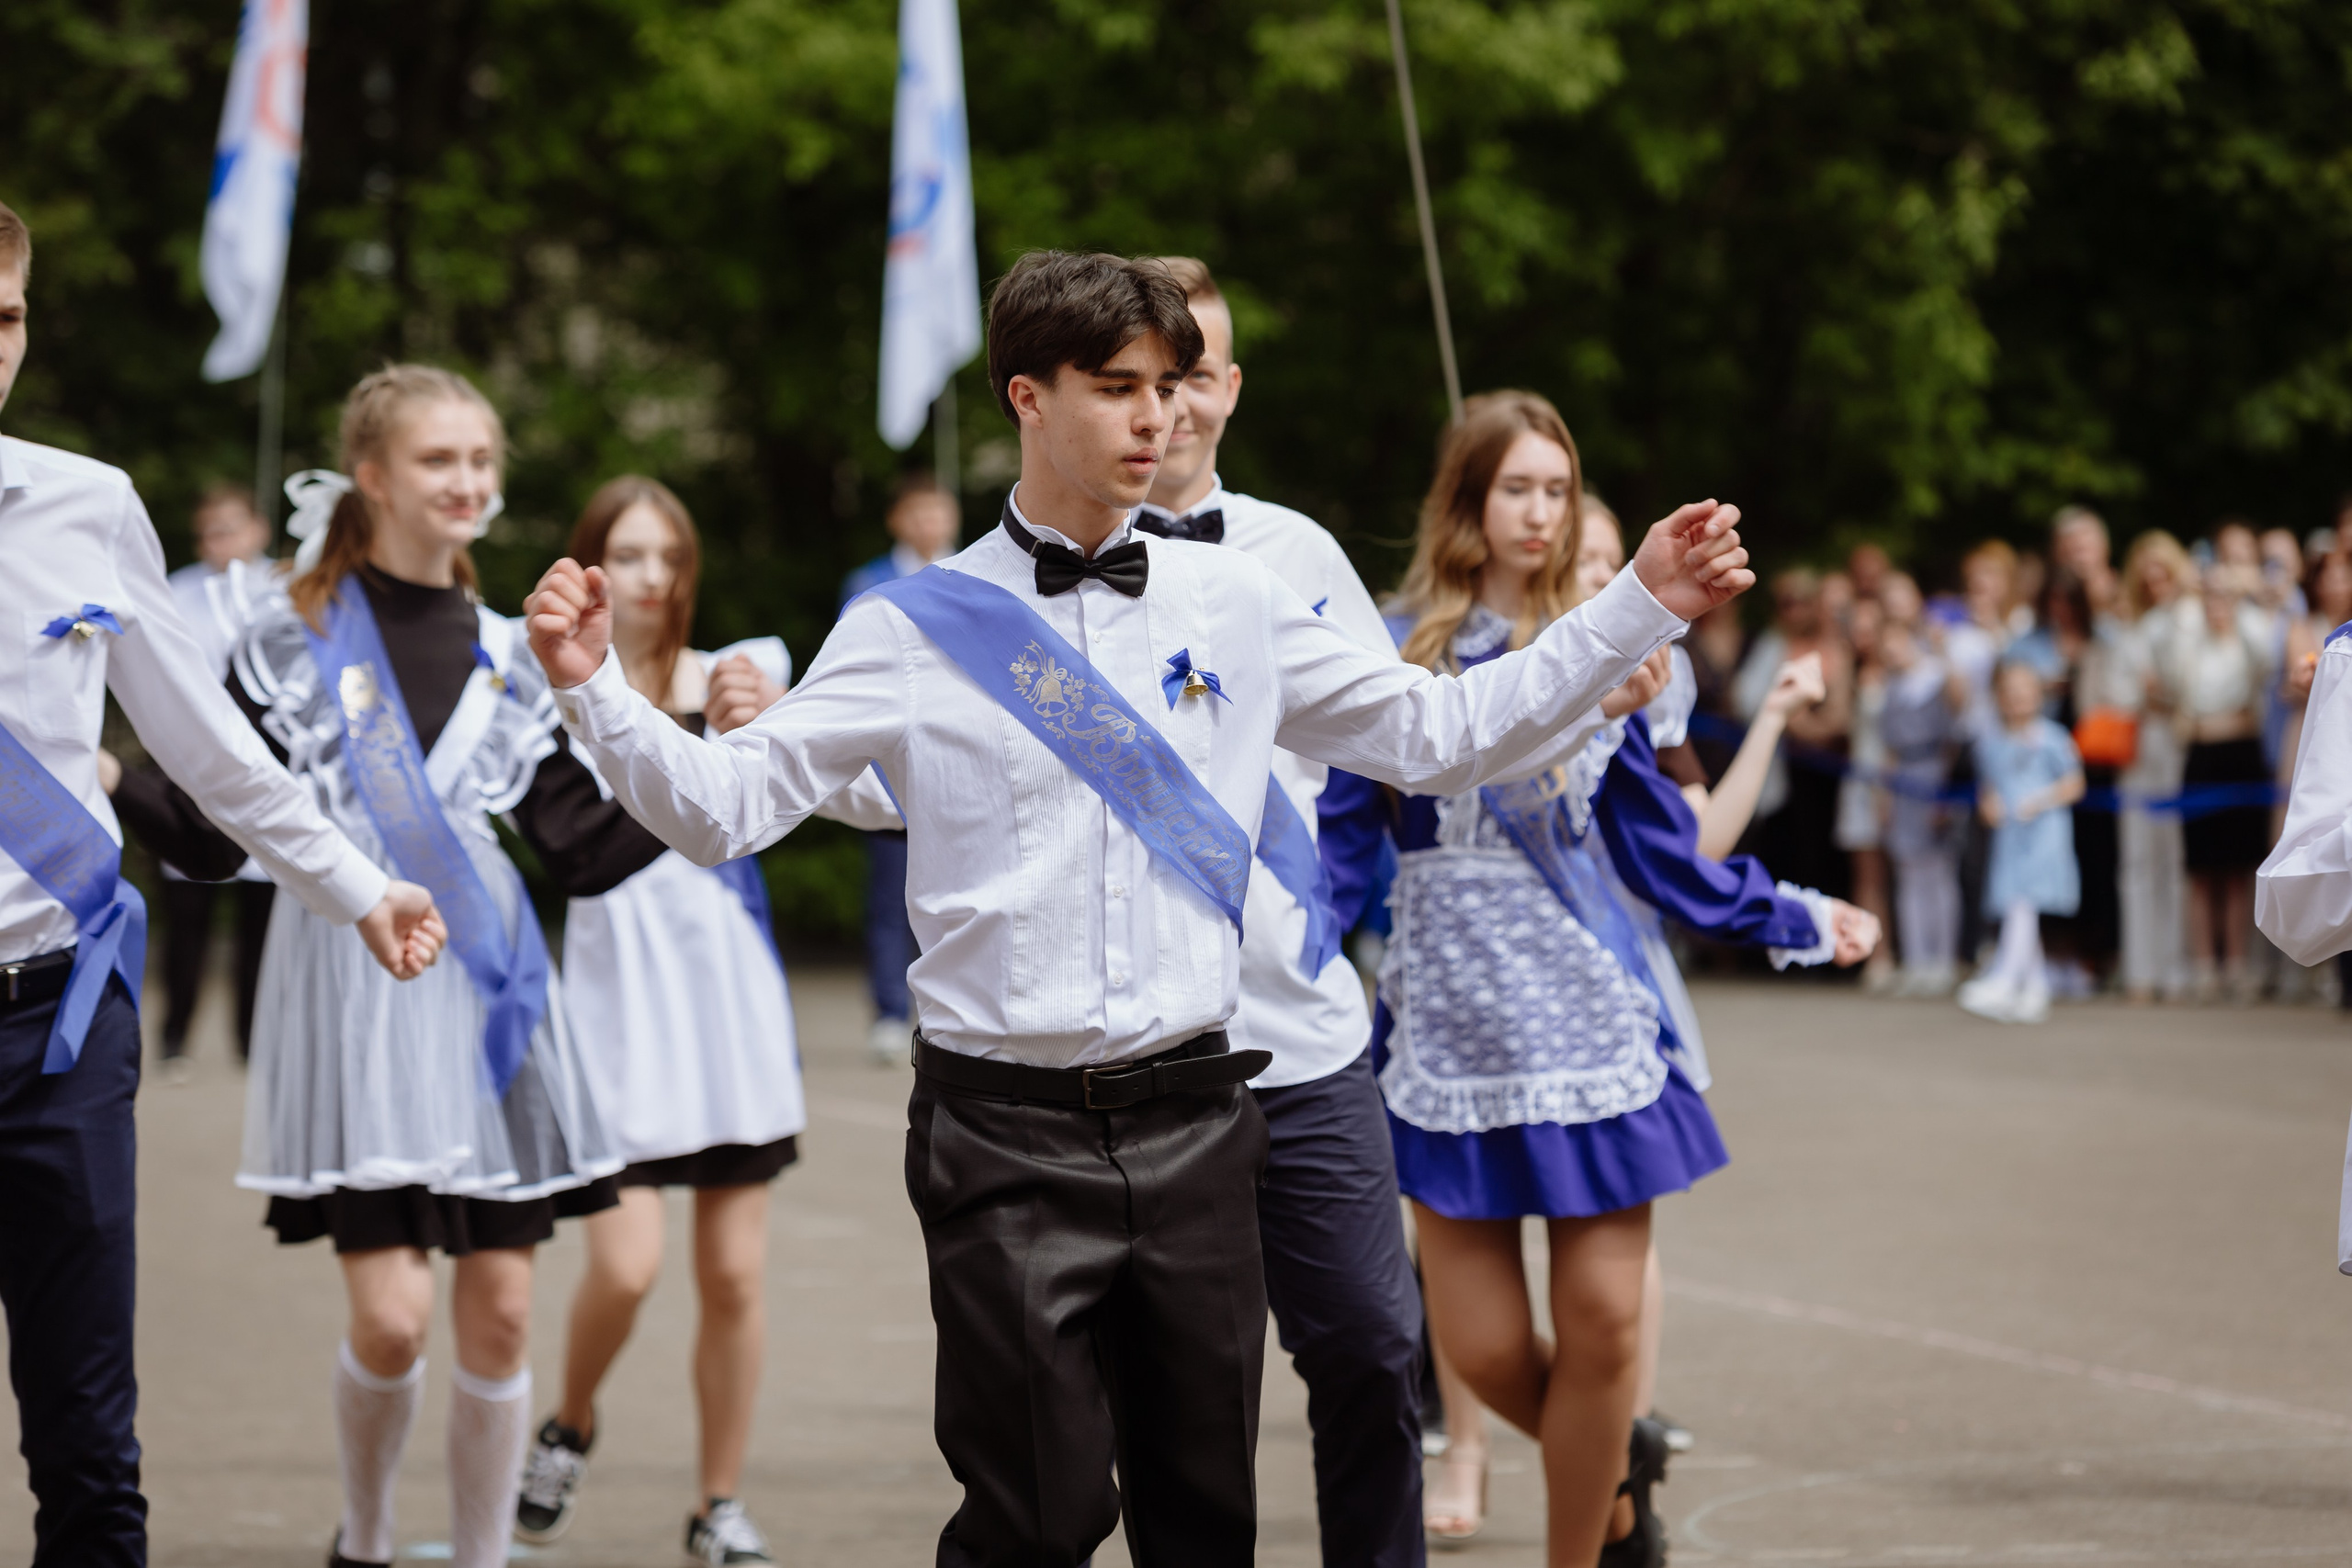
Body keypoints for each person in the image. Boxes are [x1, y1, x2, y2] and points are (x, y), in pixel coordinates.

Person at [524, 251, 1755, 1568]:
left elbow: (1444, 730)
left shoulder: (1238, 598)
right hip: (999, 1131)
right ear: (1026, 398)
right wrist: (595, 689)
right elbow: (723, 808)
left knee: (1206, 1519)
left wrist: (1637, 604)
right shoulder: (912, 623)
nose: (1156, 418)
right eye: (1117, 388)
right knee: (1038, 1516)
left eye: (1170, 387)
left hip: (1196, 1118)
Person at [149, 366, 657, 1568]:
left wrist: (717, 757)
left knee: (504, 1306)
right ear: (370, 476)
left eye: (483, 460)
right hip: (357, 991)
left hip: (493, 994)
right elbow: (213, 819)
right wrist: (109, 775)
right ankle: (367, 1536)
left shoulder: (513, 652)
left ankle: (479, 1554)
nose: (468, 482)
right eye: (440, 460)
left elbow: (576, 844)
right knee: (390, 1317)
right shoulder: (285, 638)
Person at [0, 198, 445, 1568]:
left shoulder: (88, 504)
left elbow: (214, 753)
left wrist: (357, 884)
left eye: (6, 316)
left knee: (85, 1432)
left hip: (58, 1022)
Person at [1351, 394, 1869, 1567]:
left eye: (1556, 487)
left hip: (1588, 1018)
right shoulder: (1392, 646)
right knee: (1478, 1349)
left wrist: (1790, 914)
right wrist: (1287, 974)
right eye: (1516, 486)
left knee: (1601, 1321)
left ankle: (1582, 1550)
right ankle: (1620, 1481)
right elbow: (1335, 845)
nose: (1539, 512)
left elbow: (1656, 848)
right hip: (1446, 1025)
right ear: (1466, 499)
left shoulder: (1606, 642)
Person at [514, 478, 850, 1565]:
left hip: (725, 998)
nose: (652, 576)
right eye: (628, 553)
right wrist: (684, 737)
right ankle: (570, 1421)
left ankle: (717, 1505)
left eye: (669, 554)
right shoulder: (557, 690)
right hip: (618, 1001)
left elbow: (781, 810)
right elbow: (577, 856)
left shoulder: (741, 676)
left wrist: (751, 729)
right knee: (625, 1265)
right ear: (592, 566)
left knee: (736, 1277)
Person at [125, 484, 283, 1073]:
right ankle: (175, 1038)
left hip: (268, 770)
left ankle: (251, 1038)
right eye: (209, 531)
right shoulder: (176, 592)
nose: (219, 542)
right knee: (187, 909)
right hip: (192, 766)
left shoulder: (285, 590)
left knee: (259, 916)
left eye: (230, 528)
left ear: (257, 529)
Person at [840, 474, 960, 1064]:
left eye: (939, 511)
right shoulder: (866, 582)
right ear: (898, 519)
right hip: (892, 765)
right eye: (919, 513)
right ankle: (889, 1011)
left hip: (960, 761)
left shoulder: (978, 576)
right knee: (890, 898)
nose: (930, 524)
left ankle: (951, 1010)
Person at [2165, 556, 2275, 1002]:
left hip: (2240, 760)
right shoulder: (2191, 644)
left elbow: (2263, 658)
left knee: (2236, 870)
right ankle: (2204, 965)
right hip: (2201, 760)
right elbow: (2178, 683)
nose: (2218, 607)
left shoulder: (2247, 639)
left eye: (2224, 600)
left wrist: (2241, 590)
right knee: (2201, 871)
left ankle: (2236, 963)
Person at [1957, 661, 2086, 1023]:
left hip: (2044, 835)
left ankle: (2005, 976)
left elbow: (2075, 784)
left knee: (2023, 903)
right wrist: (1990, 805)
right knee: (2017, 903)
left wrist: (2041, 801)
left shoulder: (2054, 737)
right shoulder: (1992, 742)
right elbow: (1989, 787)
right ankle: (2034, 987)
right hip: (2010, 836)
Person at [2116, 531, 2195, 1001]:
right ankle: (2140, 969)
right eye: (2147, 576)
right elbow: (2120, 690)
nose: (2154, 583)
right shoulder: (2130, 628)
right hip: (2138, 745)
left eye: (2162, 574)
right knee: (2138, 861)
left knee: (2176, 859)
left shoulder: (2187, 620)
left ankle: (2177, 968)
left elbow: (2187, 684)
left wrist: (2159, 693)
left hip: (2176, 743)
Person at [1877, 594, 1965, 996]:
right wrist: (1885, 796)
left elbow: (1955, 733)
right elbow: (1889, 748)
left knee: (1939, 872)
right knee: (1909, 873)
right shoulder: (1892, 687)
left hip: (1934, 777)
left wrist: (1945, 793)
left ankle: (1942, 960)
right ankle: (1916, 960)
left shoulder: (1936, 678)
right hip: (1904, 782)